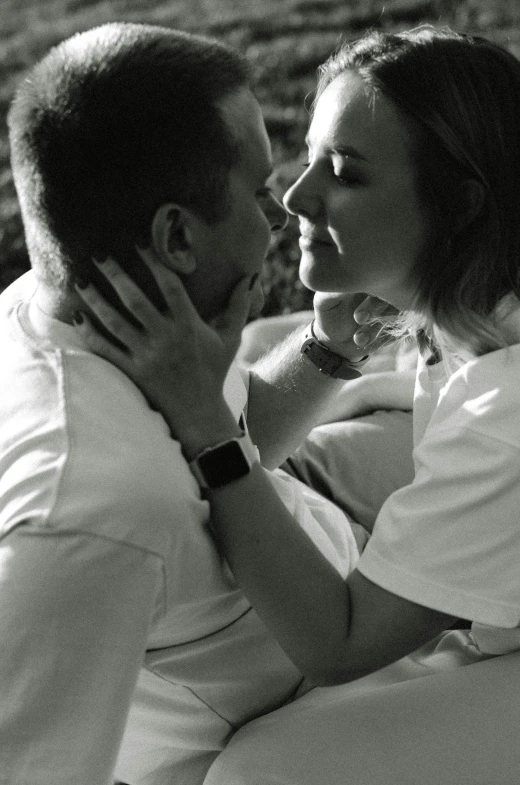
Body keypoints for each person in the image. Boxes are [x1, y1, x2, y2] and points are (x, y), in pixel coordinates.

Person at [74, 26, 520, 784]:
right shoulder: (463, 307)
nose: (293, 196)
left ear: (459, 204)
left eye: (344, 172)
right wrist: (325, 350)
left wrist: (207, 424)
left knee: (265, 770)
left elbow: (337, 644)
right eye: (309, 157)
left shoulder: (504, 414)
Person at [1, 21, 414, 785]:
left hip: (300, 509)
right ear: (178, 236)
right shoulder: (91, 516)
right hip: (341, 687)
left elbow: (228, 442)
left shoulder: (104, 310)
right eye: (259, 191)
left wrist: (328, 347)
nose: (287, 206)